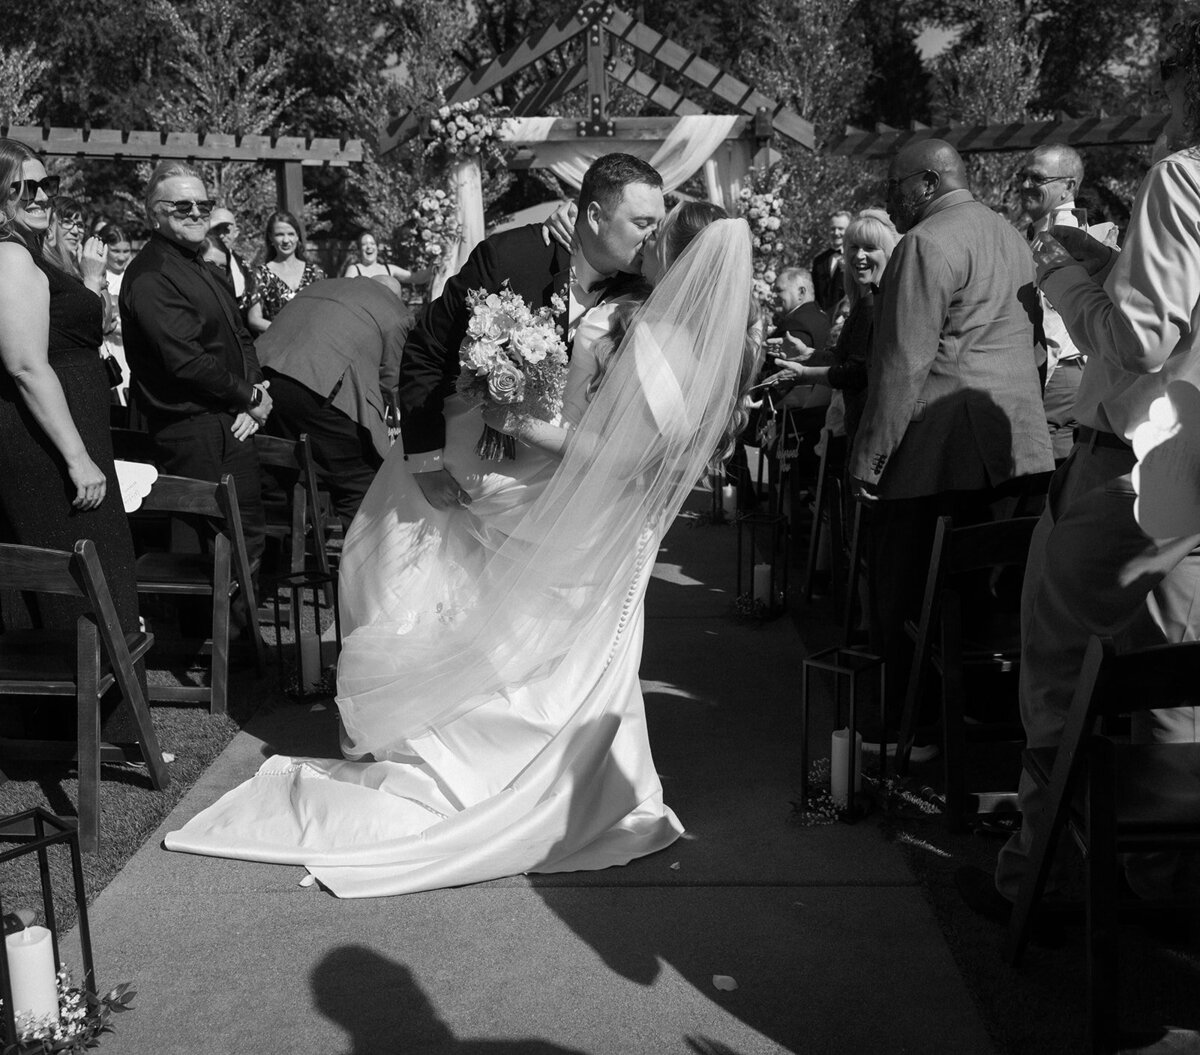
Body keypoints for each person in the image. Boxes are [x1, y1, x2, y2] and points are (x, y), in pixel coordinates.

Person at [164, 203, 759, 898]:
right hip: (599, 519)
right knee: (574, 649)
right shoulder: (672, 325)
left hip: (588, 506)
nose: (649, 239)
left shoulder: (658, 334)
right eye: (644, 223)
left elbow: (624, 453)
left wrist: (529, 430)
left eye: (662, 233)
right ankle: (585, 781)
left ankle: (505, 775)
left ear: (685, 259)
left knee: (542, 633)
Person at [956, 21, 1200, 918]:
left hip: (1128, 468)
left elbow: (1142, 340)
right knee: (1177, 681)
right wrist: (1108, 262)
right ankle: (1164, 883)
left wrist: (1062, 279)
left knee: (1060, 672)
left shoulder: (1186, 176)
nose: (1166, 109)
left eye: (1172, 86)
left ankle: (1039, 880)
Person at [850, 139, 1054, 745]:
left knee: (905, 594)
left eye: (898, 186)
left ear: (930, 182)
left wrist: (869, 460)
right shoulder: (1010, 235)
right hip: (1020, 445)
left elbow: (901, 364)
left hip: (944, 452)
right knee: (992, 598)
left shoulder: (925, 243)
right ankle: (985, 720)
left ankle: (908, 730)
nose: (893, 199)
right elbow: (1037, 347)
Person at [396, 152, 663, 514]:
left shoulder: (647, 285)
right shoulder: (509, 258)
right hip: (463, 471)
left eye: (658, 225)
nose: (653, 237)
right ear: (595, 216)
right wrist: (427, 466)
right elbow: (427, 350)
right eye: (642, 222)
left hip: (558, 491)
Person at [0, 138, 142, 739]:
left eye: (44, 185)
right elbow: (26, 365)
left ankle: (85, 721)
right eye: (21, 187)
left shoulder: (30, 254)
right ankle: (70, 723)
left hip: (66, 439)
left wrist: (82, 276)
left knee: (96, 565)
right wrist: (78, 456)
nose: (38, 196)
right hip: (47, 450)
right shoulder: (8, 258)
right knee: (76, 572)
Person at [119, 161, 271, 580]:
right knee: (212, 547)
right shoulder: (152, 275)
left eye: (204, 205)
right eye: (182, 206)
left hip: (229, 419)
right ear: (155, 213)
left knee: (244, 538)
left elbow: (240, 333)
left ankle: (239, 643)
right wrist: (250, 397)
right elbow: (186, 361)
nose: (196, 214)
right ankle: (211, 643)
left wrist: (254, 389)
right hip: (192, 429)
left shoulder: (201, 263)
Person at [256, 275, 414, 527]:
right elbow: (392, 382)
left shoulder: (322, 284)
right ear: (397, 296)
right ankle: (362, 560)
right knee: (359, 481)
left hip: (263, 377)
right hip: (319, 384)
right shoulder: (396, 311)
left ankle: (284, 552)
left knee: (282, 470)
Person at [767, 208, 900, 453]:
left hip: (872, 429)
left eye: (870, 248)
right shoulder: (866, 300)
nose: (859, 256)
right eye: (853, 247)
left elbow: (856, 372)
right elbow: (845, 357)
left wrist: (805, 373)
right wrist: (807, 353)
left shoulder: (875, 304)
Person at [1017, 144, 1090, 462]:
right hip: (1048, 372)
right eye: (1023, 176)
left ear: (1068, 186)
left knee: (1046, 476)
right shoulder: (1036, 235)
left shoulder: (1068, 238)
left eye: (1036, 178)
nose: (1025, 185)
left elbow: (1060, 316)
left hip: (1056, 372)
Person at [246, 210, 326, 334]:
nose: (286, 240)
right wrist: (286, 330)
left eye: (291, 234)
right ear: (271, 238)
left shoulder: (316, 273)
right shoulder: (260, 274)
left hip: (313, 343)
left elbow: (326, 311)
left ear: (297, 237)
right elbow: (254, 319)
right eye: (279, 234)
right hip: (276, 346)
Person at [341, 229, 434, 286]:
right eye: (364, 244)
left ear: (377, 247)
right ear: (359, 249)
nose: (369, 247)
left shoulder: (389, 269)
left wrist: (433, 265)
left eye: (372, 243)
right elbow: (346, 293)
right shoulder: (354, 270)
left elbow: (416, 278)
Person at [206, 206, 255, 310]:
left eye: (226, 230)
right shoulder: (197, 261)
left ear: (236, 233)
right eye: (216, 229)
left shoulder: (246, 269)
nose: (221, 235)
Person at [811, 209, 851, 316]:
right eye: (833, 229)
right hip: (821, 319)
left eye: (840, 229)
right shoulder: (819, 261)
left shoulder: (855, 258)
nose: (836, 233)